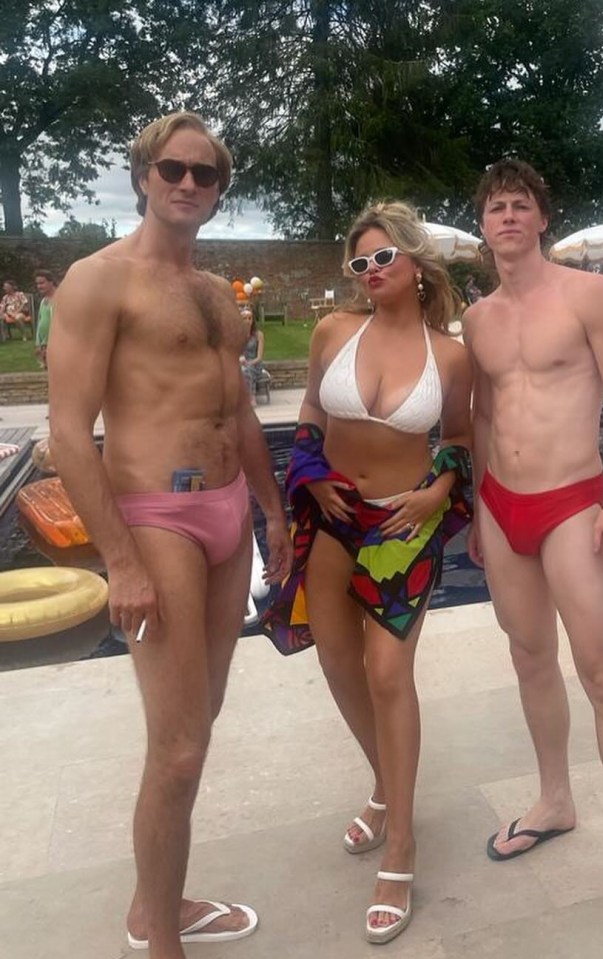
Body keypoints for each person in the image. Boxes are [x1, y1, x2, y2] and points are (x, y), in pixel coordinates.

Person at [46, 111, 291, 959]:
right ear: (143, 174)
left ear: (220, 191)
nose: (188, 184)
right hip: (156, 519)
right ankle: (161, 942)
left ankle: (159, 900)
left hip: (225, 510)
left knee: (198, 723)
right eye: (173, 169)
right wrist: (118, 559)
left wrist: (271, 508)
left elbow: (239, 409)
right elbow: (69, 434)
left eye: (206, 174)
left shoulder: (217, 293)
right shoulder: (96, 280)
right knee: (179, 748)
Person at [463, 159, 603, 940]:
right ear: (483, 225)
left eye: (520, 205)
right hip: (502, 503)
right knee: (527, 654)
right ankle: (554, 797)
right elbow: (482, 414)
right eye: (495, 208)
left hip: (570, 498)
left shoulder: (589, 294)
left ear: (541, 219)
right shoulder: (477, 316)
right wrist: (479, 505)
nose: (508, 217)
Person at [261, 201, 473, 944]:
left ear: (415, 263)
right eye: (360, 262)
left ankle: (402, 843)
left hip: (400, 526)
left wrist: (440, 488)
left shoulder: (447, 353)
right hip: (331, 517)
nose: (372, 272)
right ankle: (384, 785)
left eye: (384, 258)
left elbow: (458, 438)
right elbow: (312, 415)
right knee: (340, 663)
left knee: (389, 674)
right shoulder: (332, 332)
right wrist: (312, 475)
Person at [239, 310, 265, 405]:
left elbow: (259, 357)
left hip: (255, 363)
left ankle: (251, 396)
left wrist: (249, 363)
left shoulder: (259, 335)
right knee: (243, 369)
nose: (247, 321)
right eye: (245, 318)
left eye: (250, 318)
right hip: (241, 363)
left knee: (247, 370)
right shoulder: (236, 335)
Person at [34, 270, 57, 368]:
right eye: (37, 284)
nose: (39, 286)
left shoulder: (59, 299)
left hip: (55, 343)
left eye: (42, 283)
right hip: (44, 343)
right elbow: (40, 323)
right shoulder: (43, 301)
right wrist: (39, 344)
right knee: (47, 369)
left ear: (51, 282)